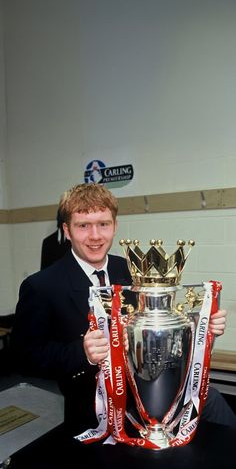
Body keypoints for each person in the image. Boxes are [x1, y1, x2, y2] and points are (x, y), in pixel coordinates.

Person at [11, 183, 236, 435]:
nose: (95, 236)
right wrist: (82, 353)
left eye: (103, 224)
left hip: (155, 388)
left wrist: (202, 328)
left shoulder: (131, 271)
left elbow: (158, 329)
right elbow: (26, 357)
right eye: (83, 225)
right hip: (93, 410)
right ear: (67, 230)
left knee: (214, 405)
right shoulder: (42, 286)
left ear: (115, 226)